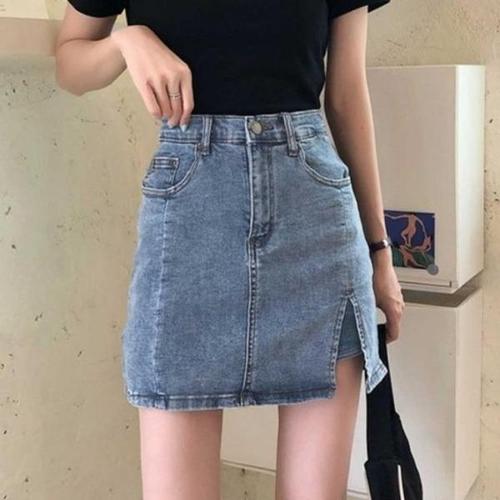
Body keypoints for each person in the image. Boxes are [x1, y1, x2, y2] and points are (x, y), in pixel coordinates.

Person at [55, 1, 404, 499]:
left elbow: (347, 96)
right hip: (187, 223)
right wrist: (126, 42)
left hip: (314, 220)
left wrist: (380, 254)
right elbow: (69, 64)